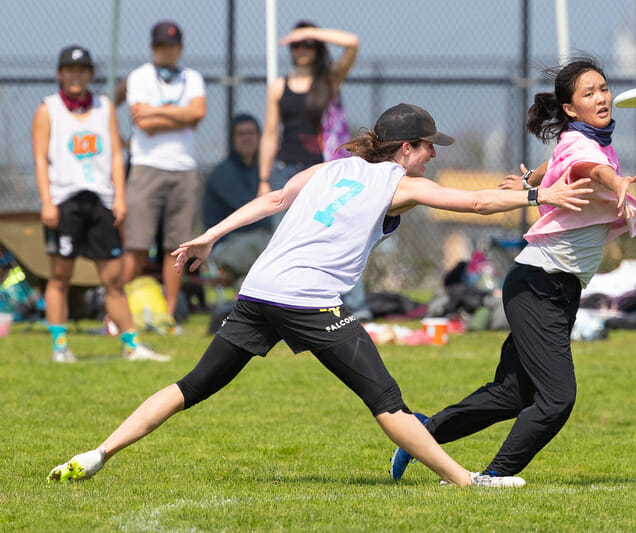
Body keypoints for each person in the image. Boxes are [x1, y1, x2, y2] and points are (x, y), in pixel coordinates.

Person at [47, 103, 593, 488]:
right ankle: (468, 481)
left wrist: (210, 236)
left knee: (191, 386)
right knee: (388, 402)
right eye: (429, 147)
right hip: (309, 301)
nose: (433, 156)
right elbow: (473, 205)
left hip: (259, 293)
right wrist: (540, 193)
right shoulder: (397, 185)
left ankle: (97, 453)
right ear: (406, 149)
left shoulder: (331, 169)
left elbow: (271, 200)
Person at [390, 58, 636, 482]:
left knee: (512, 394)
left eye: (603, 88)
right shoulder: (588, 150)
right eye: (588, 93)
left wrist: (531, 182)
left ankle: (420, 433)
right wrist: (613, 181)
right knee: (557, 399)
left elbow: (561, 160)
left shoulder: (579, 139)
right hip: (539, 286)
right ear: (569, 108)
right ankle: (492, 477)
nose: (601, 97)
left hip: (553, 288)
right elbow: (585, 167)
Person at [31, 45, 169, 363]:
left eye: (82, 70)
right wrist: (47, 202)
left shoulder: (104, 107)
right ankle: (60, 345)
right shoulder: (47, 109)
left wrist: (120, 197)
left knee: (113, 280)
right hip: (64, 201)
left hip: (100, 201)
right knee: (59, 277)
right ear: (59, 74)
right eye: (69, 70)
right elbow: (40, 159)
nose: (76, 76)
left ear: (91, 74)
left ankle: (131, 345)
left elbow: (116, 155)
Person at [258, 21, 372, 319]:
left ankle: (357, 310)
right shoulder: (278, 87)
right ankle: (285, 310)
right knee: (285, 241)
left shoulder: (330, 79)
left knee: (337, 235)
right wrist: (263, 178)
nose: (303, 49)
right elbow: (270, 134)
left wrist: (312, 33)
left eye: (308, 44)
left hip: (326, 171)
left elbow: (353, 41)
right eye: (297, 44)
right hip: (286, 172)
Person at [122, 20, 207, 328]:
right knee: (137, 244)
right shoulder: (139, 76)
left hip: (184, 169)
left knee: (178, 247)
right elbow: (143, 123)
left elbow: (197, 113)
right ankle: (118, 312)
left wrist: (157, 112)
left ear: (180, 49)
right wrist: (180, 116)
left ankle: (169, 315)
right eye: (160, 46)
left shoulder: (193, 77)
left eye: (171, 46)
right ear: (152, 48)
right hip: (146, 167)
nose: (166, 51)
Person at [202, 113, 270, 281]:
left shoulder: (264, 171)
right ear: (232, 139)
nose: (247, 138)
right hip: (226, 246)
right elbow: (256, 213)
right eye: (241, 134)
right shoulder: (223, 173)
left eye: (251, 133)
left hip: (253, 241)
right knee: (272, 246)